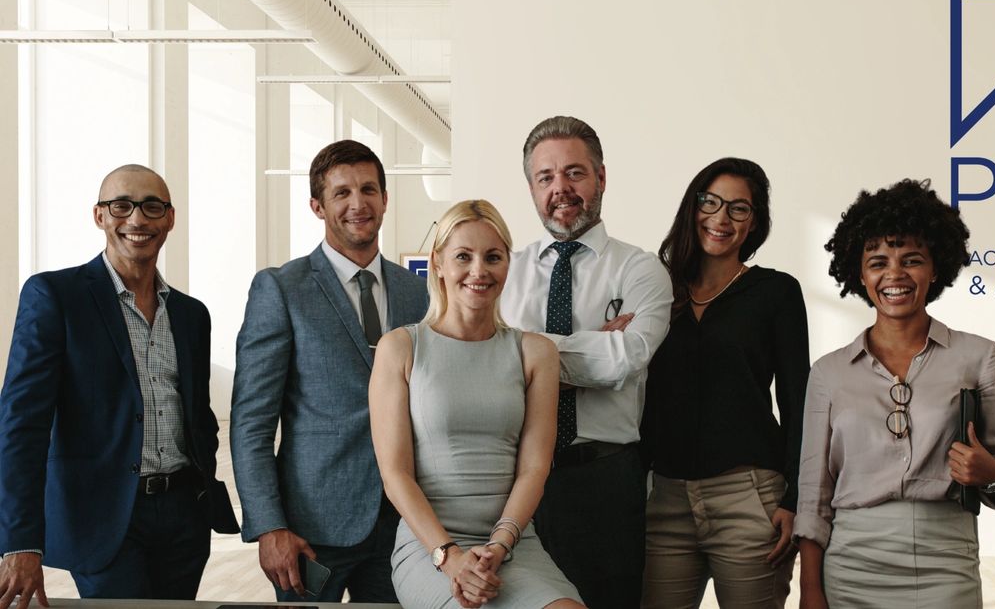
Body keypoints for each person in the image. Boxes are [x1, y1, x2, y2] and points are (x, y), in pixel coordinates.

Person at [0, 165, 239, 608]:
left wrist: (201, 496)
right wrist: (19, 541)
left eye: (152, 207)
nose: (137, 220)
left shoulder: (191, 315)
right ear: (99, 216)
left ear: (169, 218)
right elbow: (20, 426)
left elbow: (198, 416)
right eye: (121, 206)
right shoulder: (54, 296)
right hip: (103, 517)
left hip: (184, 518)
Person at [795, 179, 995, 608]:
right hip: (853, 563)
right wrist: (810, 588)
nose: (895, 275)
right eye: (878, 262)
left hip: (948, 557)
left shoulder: (980, 357)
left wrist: (990, 472)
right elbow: (813, 494)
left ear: (935, 268)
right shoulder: (828, 373)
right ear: (860, 273)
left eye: (912, 260)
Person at [230, 139, 428, 602]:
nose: (357, 204)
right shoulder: (282, 288)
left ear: (384, 199)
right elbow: (252, 423)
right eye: (341, 193)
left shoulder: (415, 292)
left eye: (368, 189)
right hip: (312, 528)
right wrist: (269, 526)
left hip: (403, 520)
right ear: (318, 206)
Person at [371, 199, 584, 609]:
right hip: (428, 549)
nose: (478, 271)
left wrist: (499, 547)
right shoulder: (400, 347)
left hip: (513, 544)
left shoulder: (535, 352)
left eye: (493, 257)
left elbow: (535, 468)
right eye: (463, 256)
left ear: (508, 264)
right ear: (437, 263)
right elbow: (395, 474)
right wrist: (449, 557)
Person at [499, 115, 672, 608]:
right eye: (545, 177)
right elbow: (484, 366)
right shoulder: (504, 270)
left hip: (605, 481)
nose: (561, 189)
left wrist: (525, 352)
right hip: (513, 481)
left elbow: (627, 357)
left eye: (575, 173)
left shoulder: (640, 269)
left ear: (601, 177)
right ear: (532, 188)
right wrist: (592, 343)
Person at [641, 158, 809, 608]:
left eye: (739, 209)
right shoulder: (656, 289)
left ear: (755, 224)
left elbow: (798, 403)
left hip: (750, 497)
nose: (720, 218)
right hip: (665, 500)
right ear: (692, 206)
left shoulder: (776, 293)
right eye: (710, 202)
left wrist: (795, 499)